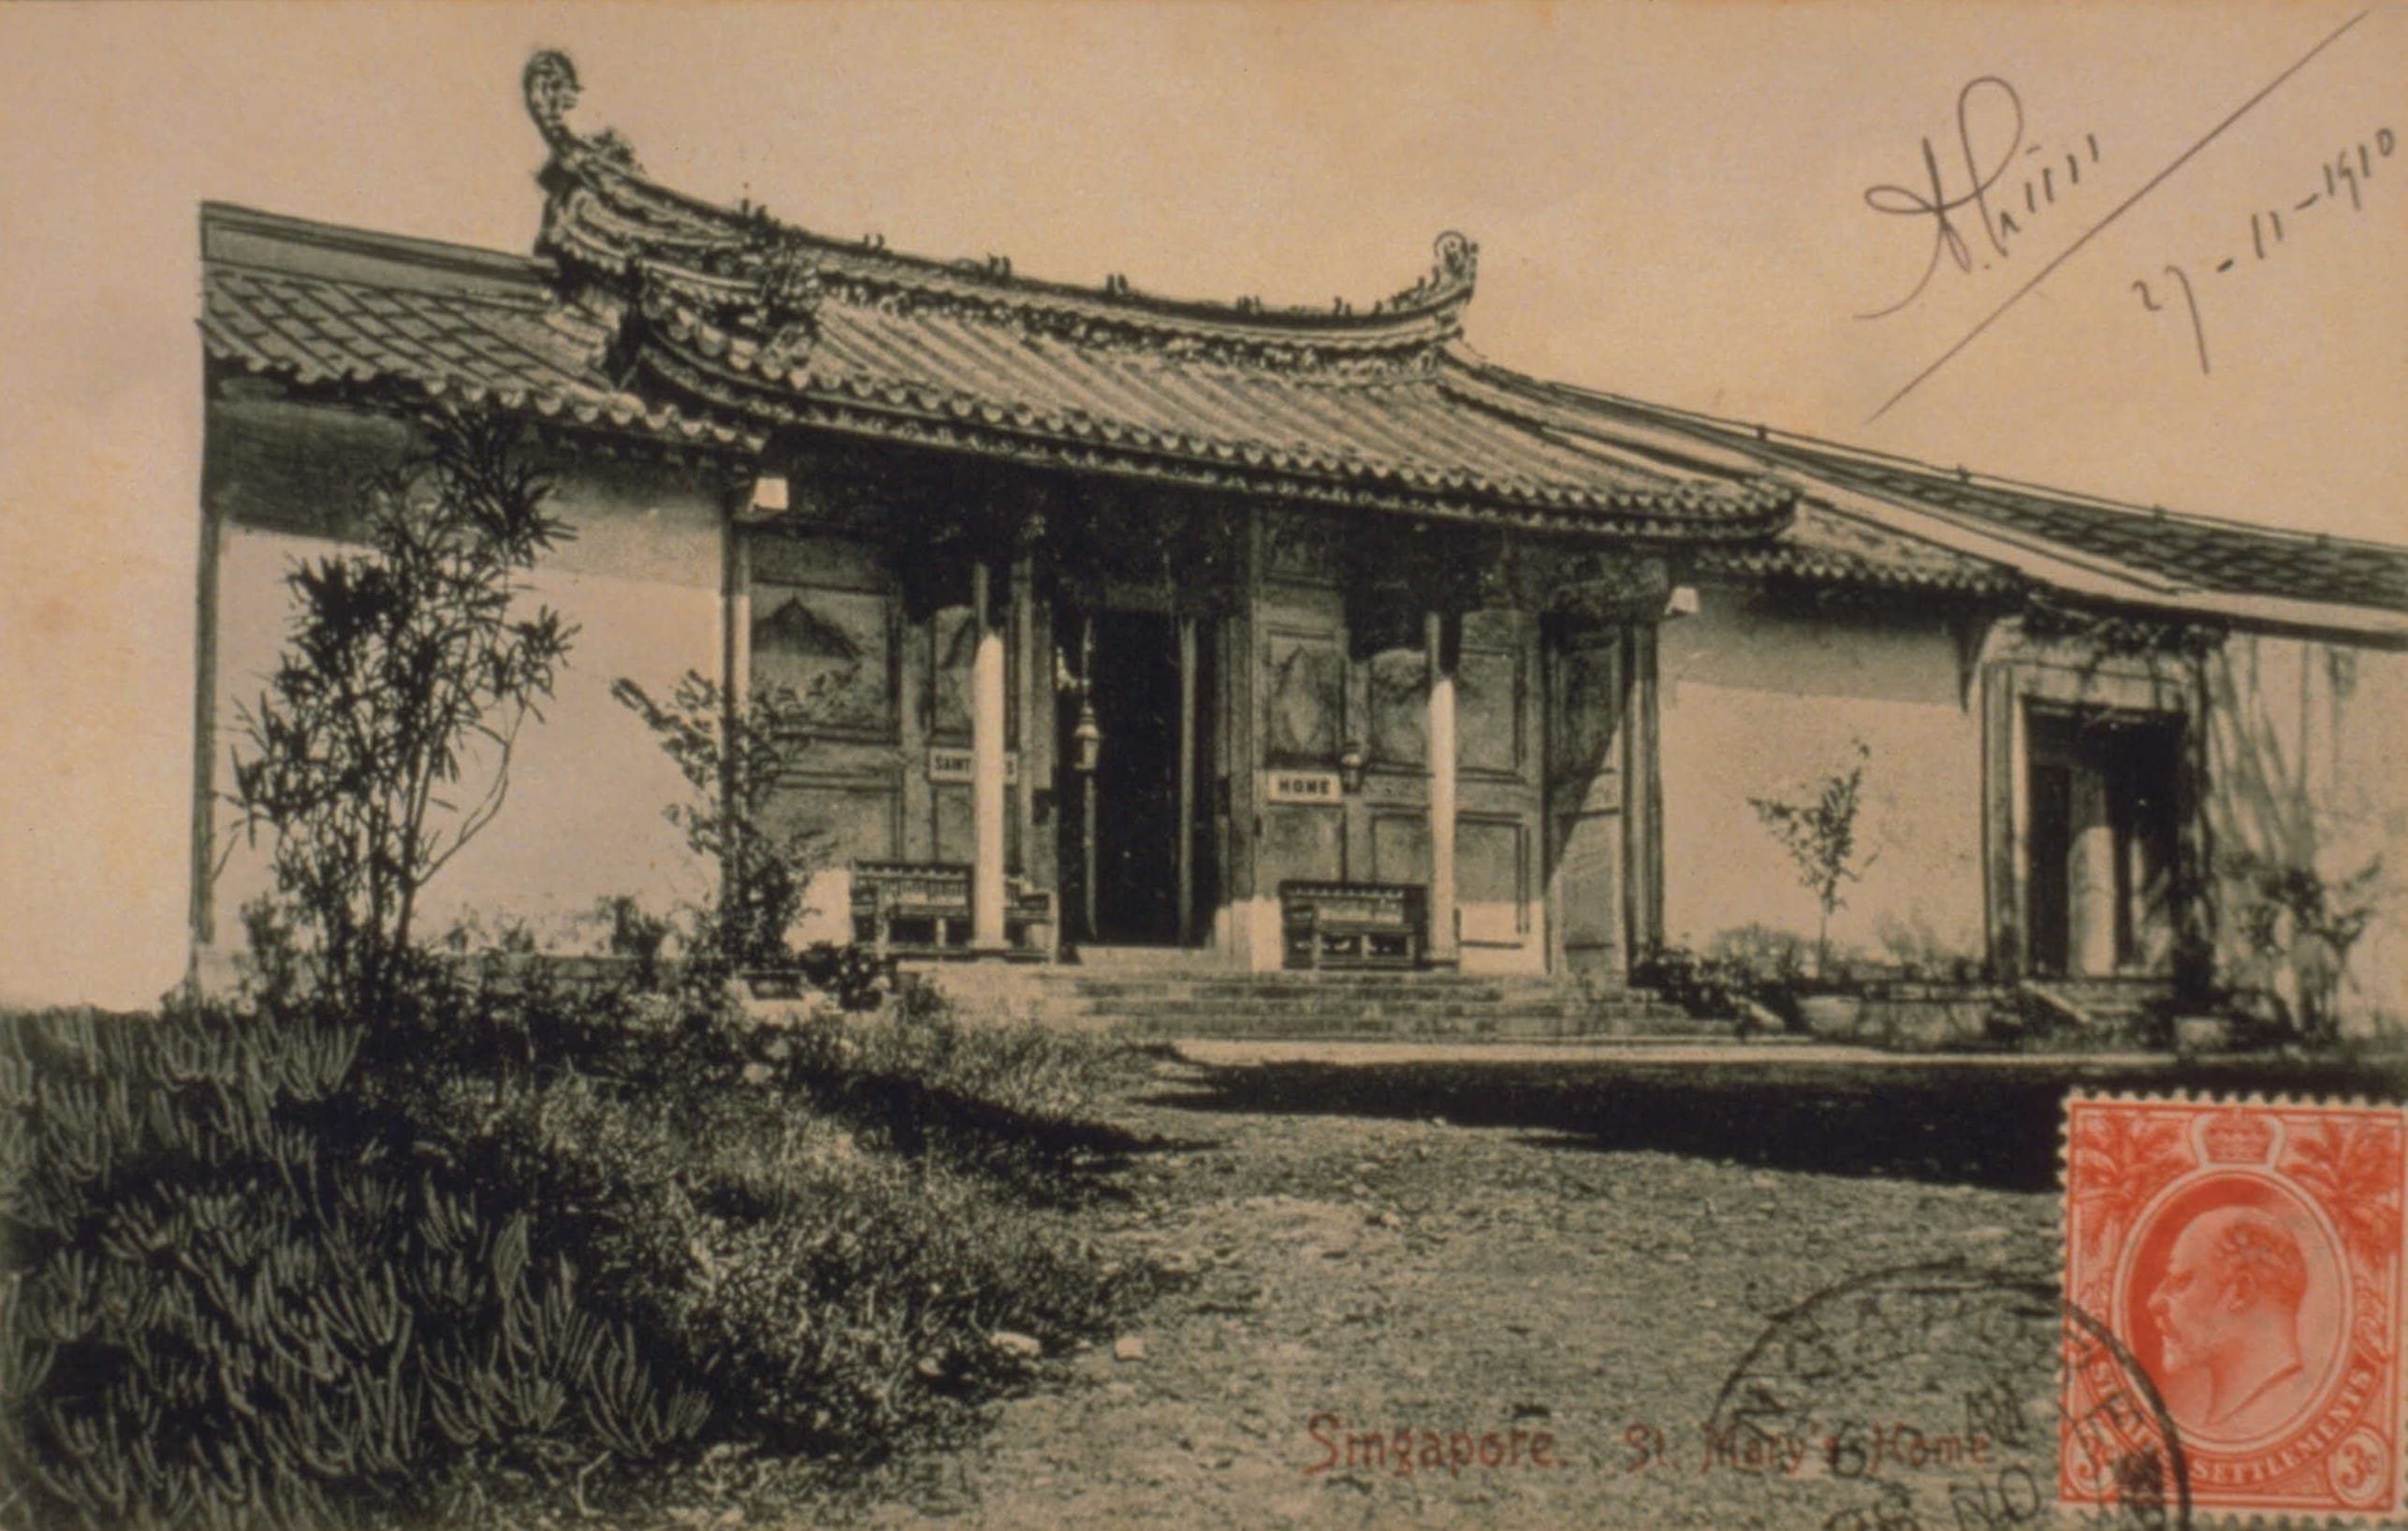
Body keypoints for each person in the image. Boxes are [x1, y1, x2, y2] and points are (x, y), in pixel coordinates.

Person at [2147, 1205, 2316, 1438]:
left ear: (2240, 1292)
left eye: (2179, 1281)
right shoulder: (2291, 1408)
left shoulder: (2275, 1413)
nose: (2153, 1302)